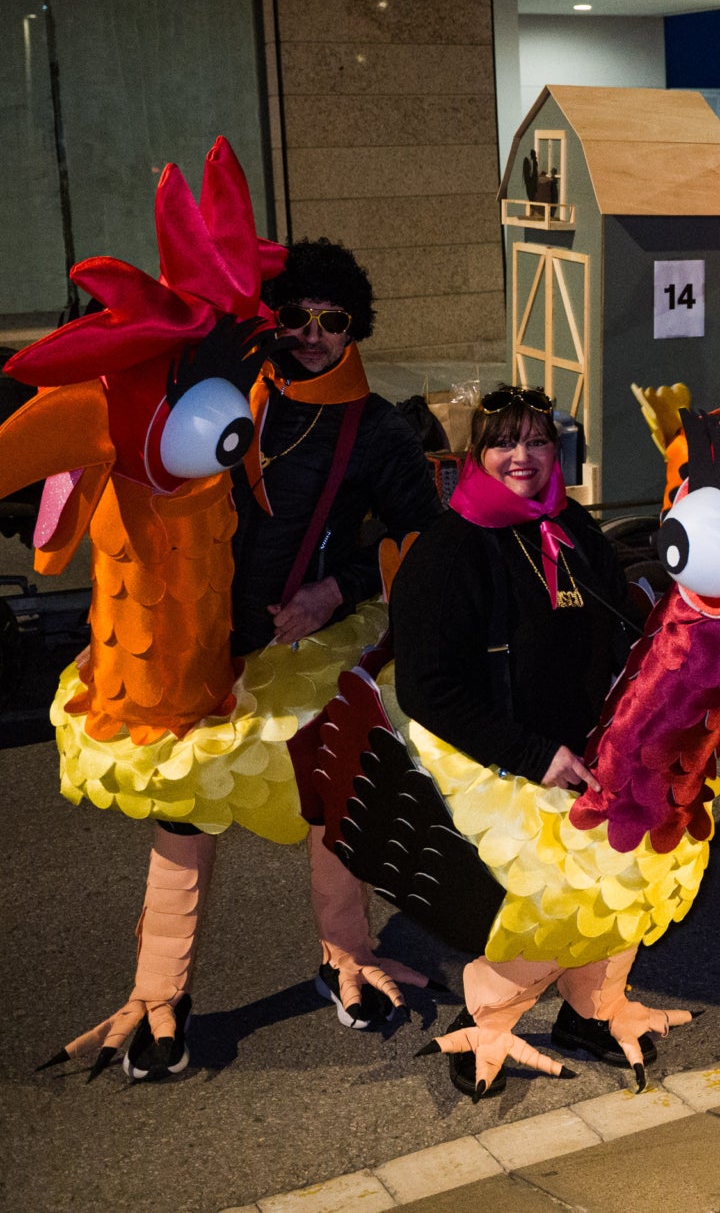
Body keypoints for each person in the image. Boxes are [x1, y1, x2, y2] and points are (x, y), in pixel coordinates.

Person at [390, 388, 658, 1080]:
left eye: (537, 441)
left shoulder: (570, 526)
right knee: (558, 897)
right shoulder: (449, 550)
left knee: (623, 873)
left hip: (584, 745)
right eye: (504, 442)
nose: (522, 457)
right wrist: (535, 756)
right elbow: (425, 689)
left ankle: (590, 1011)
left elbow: (618, 622)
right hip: (502, 759)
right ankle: (484, 1023)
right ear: (475, 454)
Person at [239, 241, 445, 1027]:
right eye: (297, 315)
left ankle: (346, 954)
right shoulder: (233, 399)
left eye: (333, 320)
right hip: (212, 640)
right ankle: (161, 989)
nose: (312, 334)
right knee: (183, 806)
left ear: (355, 327)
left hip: (305, 648)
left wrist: (335, 588)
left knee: (331, 801)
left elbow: (421, 534)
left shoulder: (378, 429)